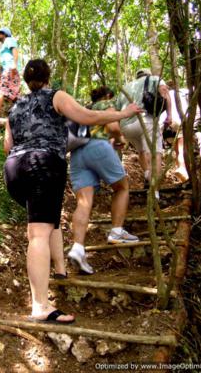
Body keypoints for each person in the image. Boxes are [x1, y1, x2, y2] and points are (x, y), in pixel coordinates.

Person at [3, 60, 141, 323]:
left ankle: (60, 269)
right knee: (39, 234)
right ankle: (40, 306)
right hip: (42, 164)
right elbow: (87, 117)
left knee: (46, 222)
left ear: (25, 80)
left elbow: (7, 145)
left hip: (13, 169)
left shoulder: (16, 106)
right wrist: (123, 114)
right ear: (48, 77)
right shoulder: (56, 96)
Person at [67, 86, 139, 275]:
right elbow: (113, 127)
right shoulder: (107, 103)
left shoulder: (85, 107)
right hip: (98, 147)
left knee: (83, 202)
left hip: (77, 154)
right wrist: (120, 138)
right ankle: (116, 231)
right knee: (122, 187)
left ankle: (78, 247)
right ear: (108, 95)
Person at [115, 69, 172, 193]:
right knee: (154, 154)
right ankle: (155, 193)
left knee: (141, 151)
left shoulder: (126, 87)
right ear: (148, 74)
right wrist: (169, 115)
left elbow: (118, 109)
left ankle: (147, 175)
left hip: (126, 127)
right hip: (146, 121)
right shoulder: (155, 79)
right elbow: (164, 93)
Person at [0, 27, 20, 117]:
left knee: (1, 90)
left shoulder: (9, 40)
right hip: (8, 70)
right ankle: (22, 111)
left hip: (11, 69)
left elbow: (15, 51)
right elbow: (5, 61)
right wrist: (1, 74)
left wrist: (14, 65)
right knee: (14, 94)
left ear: (4, 34)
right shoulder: (4, 45)